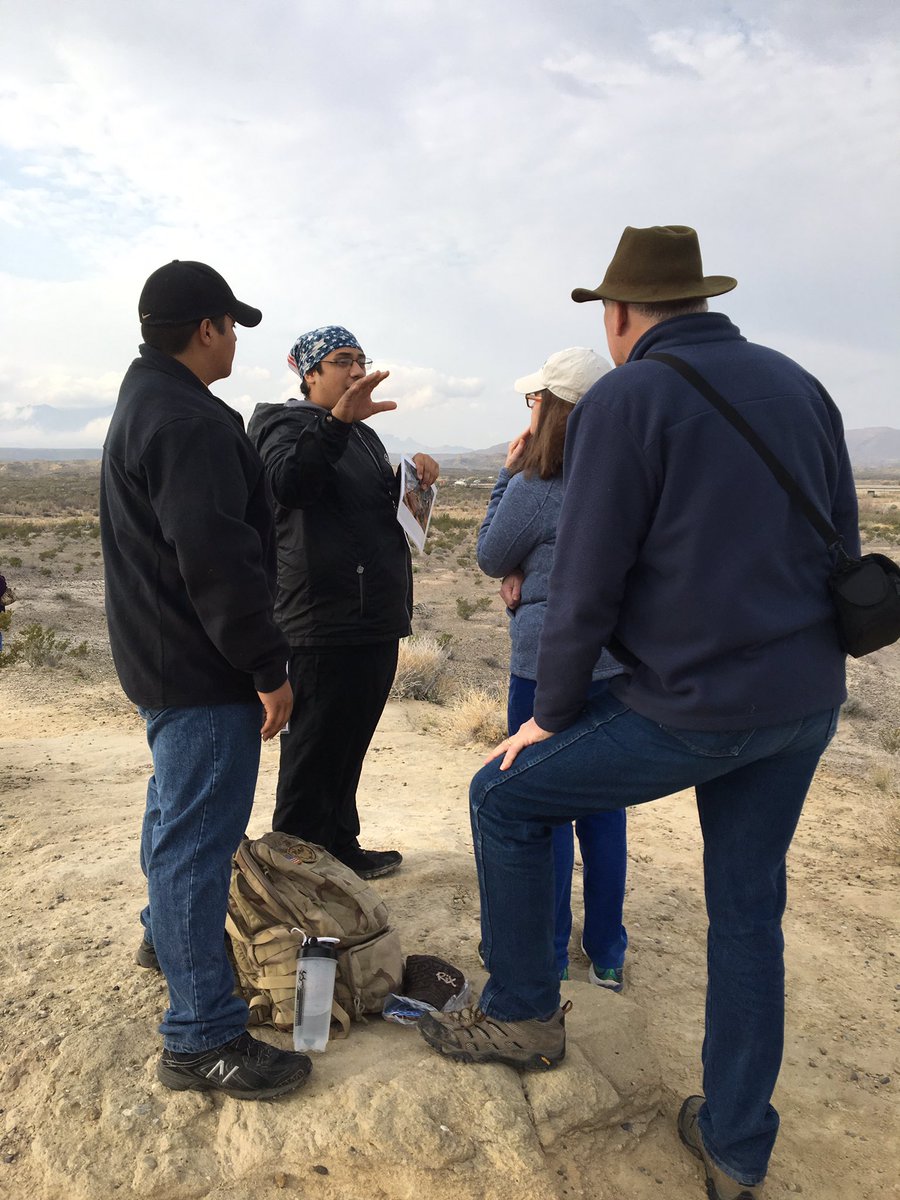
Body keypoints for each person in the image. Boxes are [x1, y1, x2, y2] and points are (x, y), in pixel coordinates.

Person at [419, 226, 859, 1200]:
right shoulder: (801, 386)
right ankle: (737, 1147)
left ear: (619, 315)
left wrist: (553, 713)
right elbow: (845, 544)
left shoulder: (630, 397)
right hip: (802, 701)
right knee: (749, 918)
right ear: (701, 301)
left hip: (694, 705)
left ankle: (526, 1014)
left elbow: (585, 577)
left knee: (503, 798)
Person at [100, 260, 312, 1100]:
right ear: (205, 329)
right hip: (202, 667)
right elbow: (218, 562)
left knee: (174, 816)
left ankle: (165, 938)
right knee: (197, 846)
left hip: (164, 659)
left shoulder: (145, 399)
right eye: (231, 327)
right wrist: (267, 668)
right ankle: (201, 1039)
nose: (234, 342)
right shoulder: (185, 419)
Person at [248, 327, 439, 880]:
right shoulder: (280, 425)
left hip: (370, 620)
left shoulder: (362, 437)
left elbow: (379, 503)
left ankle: (339, 848)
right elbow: (291, 484)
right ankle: (296, 876)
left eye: (361, 360)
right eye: (342, 361)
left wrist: (417, 473)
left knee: (347, 748)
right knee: (312, 757)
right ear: (309, 374)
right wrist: (335, 425)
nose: (357, 371)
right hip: (320, 622)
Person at [476, 347, 628, 988]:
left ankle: (549, 948)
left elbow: (489, 554)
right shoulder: (627, 478)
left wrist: (506, 477)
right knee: (604, 810)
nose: (529, 409)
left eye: (534, 399)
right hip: (616, 662)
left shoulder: (538, 487)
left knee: (536, 804)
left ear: (554, 410)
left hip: (544, 664)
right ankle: (608, 951)